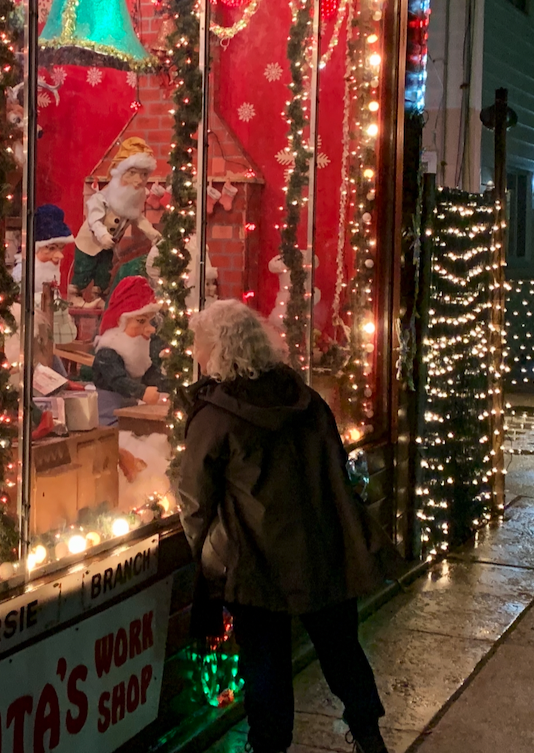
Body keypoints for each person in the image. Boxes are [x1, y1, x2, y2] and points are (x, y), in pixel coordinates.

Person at [176, 300, 400, 753]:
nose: (194, 351)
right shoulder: (305, 398)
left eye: (199, 342)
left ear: (218, 348)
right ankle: (369, 735)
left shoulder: (215, 416)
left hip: (256, 560)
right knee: (341, 648)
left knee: (266, 666)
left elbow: (195, 498)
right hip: (323, 546)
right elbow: (334, 466)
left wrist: (205, 553)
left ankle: (270, 747)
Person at [92, 276, 168, 424]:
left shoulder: (138, 352)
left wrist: (170, 388)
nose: (150, 329)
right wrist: (142, 392)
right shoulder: (108, 353)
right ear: (121, 322)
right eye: (141, 321)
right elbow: (118, 380)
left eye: (150, 322)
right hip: (108, 419)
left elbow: (151, 375)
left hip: (130, 415)